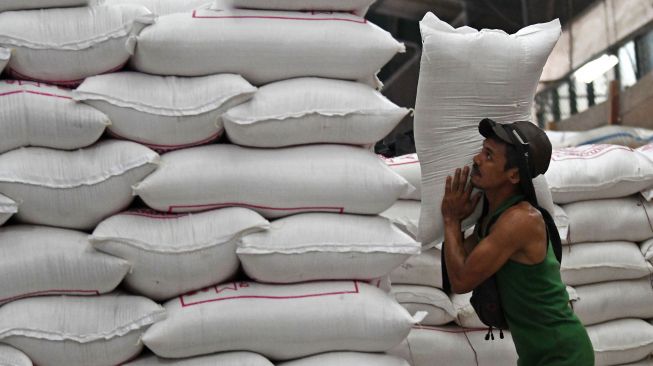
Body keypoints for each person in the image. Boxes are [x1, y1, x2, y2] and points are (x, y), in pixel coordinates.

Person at [441, 118, 594, 366]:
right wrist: (456, 222)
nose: (477, 160)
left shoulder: (519, 221)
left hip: (563, 354)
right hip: (535, 356)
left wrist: (450, 220)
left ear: (513, 175)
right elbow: (458, 262)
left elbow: (461, 281)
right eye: (482, 150)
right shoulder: (492, 220)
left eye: (489, 156)